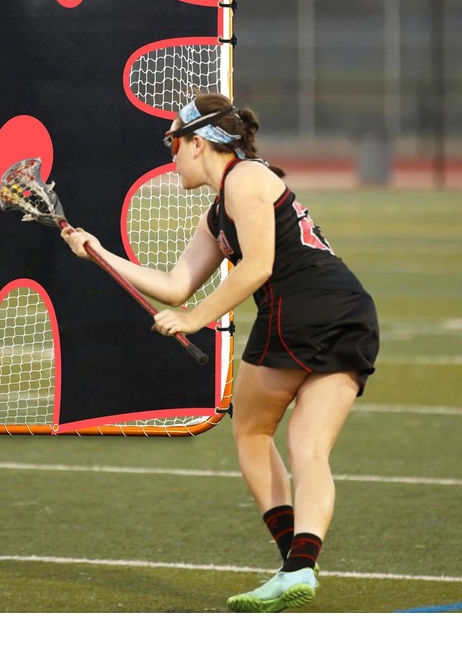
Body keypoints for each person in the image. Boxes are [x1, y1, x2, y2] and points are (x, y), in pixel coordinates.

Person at [61, 92, 379, 613]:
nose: (171, 156)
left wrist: (194, 320)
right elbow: (175, 284)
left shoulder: (244, 178)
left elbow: (258, 266)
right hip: (352, 311)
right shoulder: (221, 208)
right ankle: (299, 567)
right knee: (307, 447)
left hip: (300, 310)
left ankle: (291, 563)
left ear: (199, 142)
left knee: (252, 432)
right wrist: (98, 253)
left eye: (173, 143)